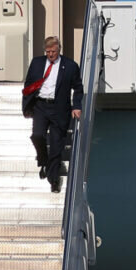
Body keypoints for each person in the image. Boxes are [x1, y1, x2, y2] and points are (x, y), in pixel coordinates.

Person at [22, 36, 83, 193]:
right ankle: (42, 158)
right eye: (48, 52)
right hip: (41, 106)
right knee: (37, 135)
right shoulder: (37, 63)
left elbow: (78, 87)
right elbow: (28, 84)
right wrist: (27, 105)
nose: (50, 55)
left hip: (59, 108)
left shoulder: (70, 66)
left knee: (56, 146)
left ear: (59, 50)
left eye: (53, 52)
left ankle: (54, 180)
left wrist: (76, 106)